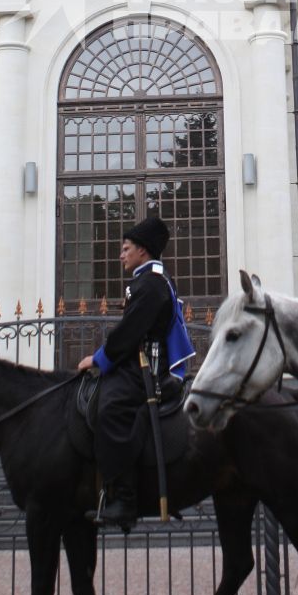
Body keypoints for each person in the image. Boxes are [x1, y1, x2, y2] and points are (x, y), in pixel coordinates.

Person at [77, 215, 179, 531]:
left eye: (125, 248)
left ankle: (124, 499)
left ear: (143, 252)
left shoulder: (149, 284)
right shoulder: (146, 281)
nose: (120, 255)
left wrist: (99, 359)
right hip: (138, 364)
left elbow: (130, 333)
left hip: (147, 369)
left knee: (111, 409)